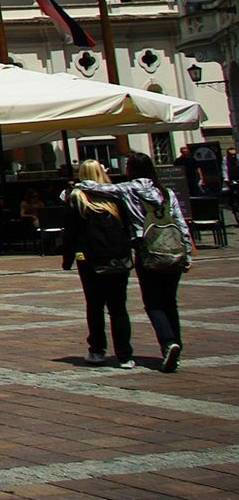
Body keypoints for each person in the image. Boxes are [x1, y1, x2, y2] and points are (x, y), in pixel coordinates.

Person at [73, 151, 192, 372]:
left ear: (131, 170)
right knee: (170, 302)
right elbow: (181, 223)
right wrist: (187, 254)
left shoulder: (129, 188)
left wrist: (77, 185)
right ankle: (175, 345)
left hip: (147, 252)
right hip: (173, 252)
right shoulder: (166, 192)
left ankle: (168, 343)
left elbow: (97, 188)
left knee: (154, 303)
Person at [62, 160, 136, 368]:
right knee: (118, 308)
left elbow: (71, 231)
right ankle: (125, 355)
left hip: (90, 258)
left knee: (95, 306)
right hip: (117, 257)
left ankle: (97, 351)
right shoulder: (114, 195)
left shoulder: (77, 196)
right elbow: (128, 225)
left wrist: (67, 259)